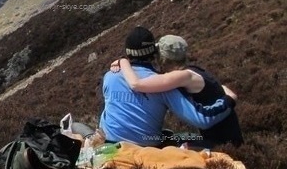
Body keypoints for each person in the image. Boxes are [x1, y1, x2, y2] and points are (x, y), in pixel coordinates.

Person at [98, 26, 237, 147]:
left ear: (128, 52)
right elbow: (201, 119)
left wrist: (122, 61)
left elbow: (109, 108)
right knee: (182, 136)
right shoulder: (163, 84)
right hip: (147, 146)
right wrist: (230, 99)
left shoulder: (110, 76)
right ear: (153, 54)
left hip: (109, 142)